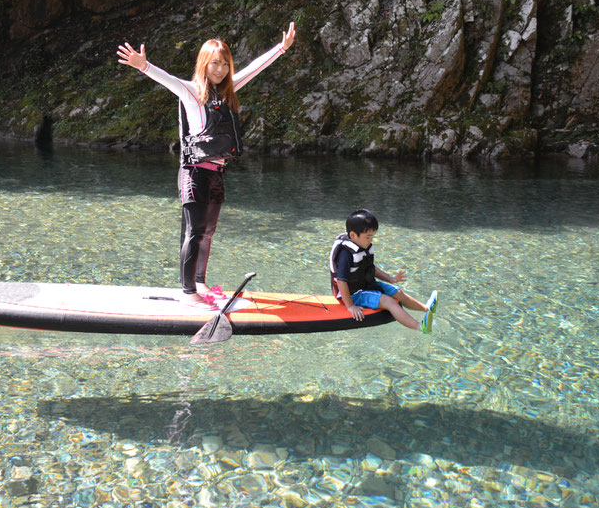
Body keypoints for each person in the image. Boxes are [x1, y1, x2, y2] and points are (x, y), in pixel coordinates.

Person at [117, 22, 296, 305]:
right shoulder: (190, 91)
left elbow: (255, 68)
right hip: (194, 174)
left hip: (216, 173)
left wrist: (281, 49)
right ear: (204, 64)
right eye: (214, 63)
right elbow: (166, 79)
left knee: (208, 233)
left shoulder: (227, 91)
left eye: (225, 64)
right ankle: (188, 293)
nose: (220, 69)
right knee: (195, 231)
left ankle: (199, 284)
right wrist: (143, 65)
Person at [329, 208, 436, 332]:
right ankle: (420, 327)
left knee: (398, 292)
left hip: (364, 285)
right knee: (390, 302)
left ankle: (426, 309)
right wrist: (350, 306)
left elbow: (370, 269)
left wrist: (390, 279)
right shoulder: (346, 254)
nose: (371, 241)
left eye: (372, 237)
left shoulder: (362, 246)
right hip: (351, 294)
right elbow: (341, 281)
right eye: (368, 237)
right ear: (353, 235)